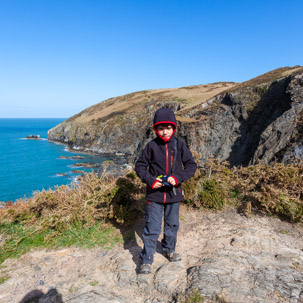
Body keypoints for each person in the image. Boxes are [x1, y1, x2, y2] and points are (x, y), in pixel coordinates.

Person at [135, 107, 197, 274]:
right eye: (160, 128)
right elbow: (140, 166)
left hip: (174, 194)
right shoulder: (151, 146)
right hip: (154, 194)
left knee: (172, 224)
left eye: (168, 128)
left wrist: (177, 178)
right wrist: (150, 180)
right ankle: (146, 259)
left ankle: (169, 249)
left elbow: (191, 165)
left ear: (174, 127)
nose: (164, 132)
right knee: (152, 227)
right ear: (156, 129)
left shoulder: (180, 145)